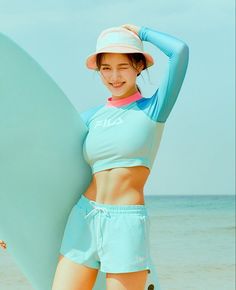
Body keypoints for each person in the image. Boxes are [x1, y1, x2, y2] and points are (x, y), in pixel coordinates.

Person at [1, 23, 189, 290]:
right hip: (83, 217)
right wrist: (13, 223)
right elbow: (39, 159)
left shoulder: (153, 109)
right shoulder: (91, 118)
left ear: (139, 67)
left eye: (123, 67)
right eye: (106, 68)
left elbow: (180, 52)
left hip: (125, 223)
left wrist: (141, 32)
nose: (114, 77)